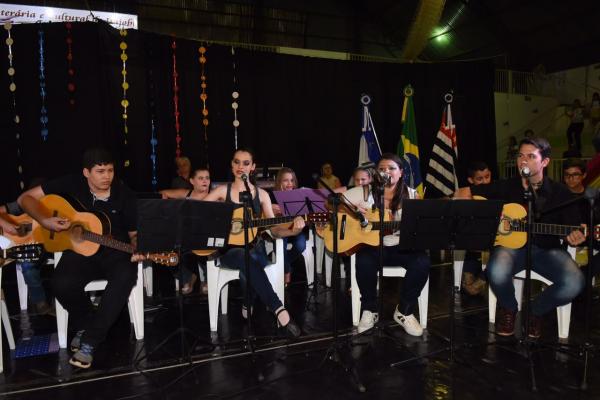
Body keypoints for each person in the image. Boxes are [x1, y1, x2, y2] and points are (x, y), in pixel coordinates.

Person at [17, 148, 144, 368]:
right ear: (86, 172)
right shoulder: (71, 183)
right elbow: (24, 199)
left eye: (110, 171)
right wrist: (45, 220)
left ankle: (90, 342)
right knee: (61, 283)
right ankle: (87, 324)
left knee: (125, 277)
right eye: (100, 172)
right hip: (79, 250)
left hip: (115, 251)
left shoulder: (125, 195)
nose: (107, 177)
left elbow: (134, 235)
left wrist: (138, 247)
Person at [455, 137, 585, 338]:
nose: (523, 160)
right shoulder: (506, 186)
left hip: (547, 250)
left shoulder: (560, 192)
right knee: (496, 269)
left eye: (531, 156)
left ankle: (535, 311)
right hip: (511, 249)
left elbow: (574, 228)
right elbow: (463, 192)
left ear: (545, 162)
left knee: (574, 282)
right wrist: (468, 206)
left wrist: (574, 236)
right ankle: (509, 308)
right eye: (520, 155)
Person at [203, 148, 303, 337]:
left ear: (253, 167)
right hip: (228, 251)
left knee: (252, 260)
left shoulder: (262, 195)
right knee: (245, 258)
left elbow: (274, 228)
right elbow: (197, 213)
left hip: (255, 248)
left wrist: (293, 230)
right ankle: (279, 309)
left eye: (246, 163)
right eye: (237, 162)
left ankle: (247, 301)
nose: (241, 166)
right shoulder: (221, 191)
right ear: (232, 165)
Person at [344, 153, 431, 336]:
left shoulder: (412, 195)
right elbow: (332, 202)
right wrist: (353, 212)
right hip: (373, 246)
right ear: (376, 173)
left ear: (401, 172)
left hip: (401, 247)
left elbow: (421, 227)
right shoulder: (365, 191)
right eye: (382, 169)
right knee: (364, 261)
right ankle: (370, 309)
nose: (386, 172)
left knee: (422, 262)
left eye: (392, 168)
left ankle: (404, 311)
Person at [161, 168, 211, 294]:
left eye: (207, 178)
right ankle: (188, 278)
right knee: (166, 250)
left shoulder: (214, 195)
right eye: (201, 178)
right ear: (192, 181)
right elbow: (163, 193)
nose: (205, 181)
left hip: (204, 237)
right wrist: (164, 202)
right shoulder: (186, 193)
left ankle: (208, 279)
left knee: (206, 247)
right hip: (185, 237)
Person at [271, 167, 307, 285]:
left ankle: (285, 264)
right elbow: (265, 211)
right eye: (285, 180)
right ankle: (286, 270)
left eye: (292, 180)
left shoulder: (299, 195)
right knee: (280, 245)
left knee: (301, 245)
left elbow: (304, 215)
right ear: (279, 182)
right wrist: (271, 207)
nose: (289, 183)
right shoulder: (272, 196)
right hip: (281, 229)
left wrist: (301, 217)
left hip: (296, 229)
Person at [461, 161, 492, 296]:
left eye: (487, 177)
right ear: (470, 180)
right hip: (473, 239)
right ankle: (468, 272)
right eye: (480, 179)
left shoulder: (497, 190)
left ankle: (484, 277)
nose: (485, 182)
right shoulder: (466, 195)